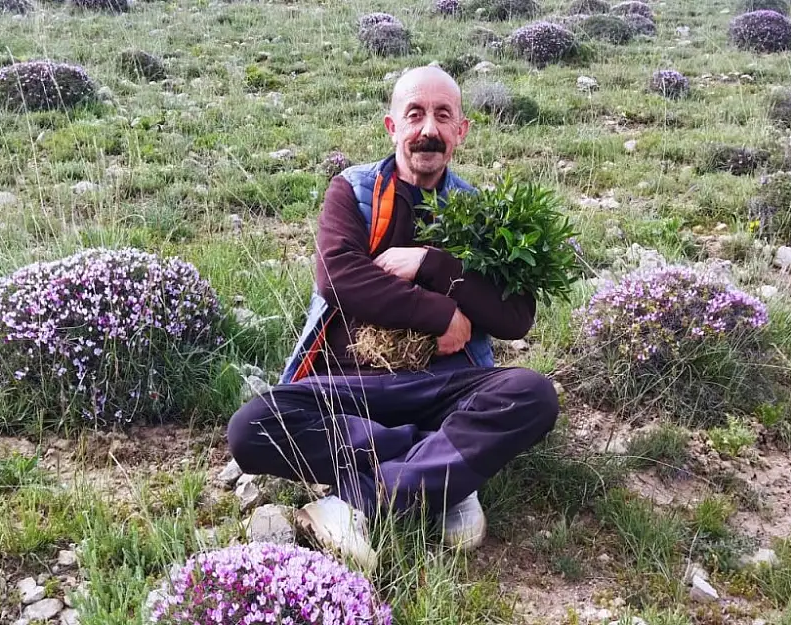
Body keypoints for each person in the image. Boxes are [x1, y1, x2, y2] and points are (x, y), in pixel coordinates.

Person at [226, 66, 559, 570]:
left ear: (461, 131)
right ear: (392, 126)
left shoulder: (479, 211)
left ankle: (356, 502)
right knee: (253, 427)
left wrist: (435, 266)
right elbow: (338, 278)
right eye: (415, 114)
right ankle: (445, 473)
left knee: (531, 395)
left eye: (443, 115)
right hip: (349, 389)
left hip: (442, 390)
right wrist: (440, 312)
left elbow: (515, 316)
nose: (429, 129)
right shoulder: (353, 191)